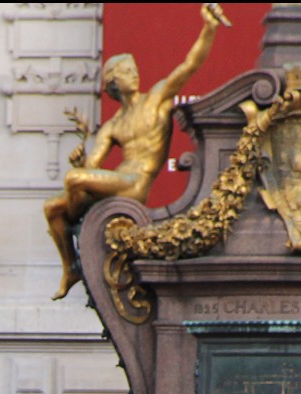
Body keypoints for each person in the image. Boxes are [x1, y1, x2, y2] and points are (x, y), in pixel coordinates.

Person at [42, 3, 227, 299]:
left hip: (137, 183)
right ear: (113, 83)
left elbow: (189, 66)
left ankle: (79, 219)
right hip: (117, 180)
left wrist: (210, 27)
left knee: (74, 182)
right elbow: (94, 164)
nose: (135, 74)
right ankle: (71, 268)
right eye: (127, 72)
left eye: (134, 69)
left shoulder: (155, 100)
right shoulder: (113, 126)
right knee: (51, 208)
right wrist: (82, 162)